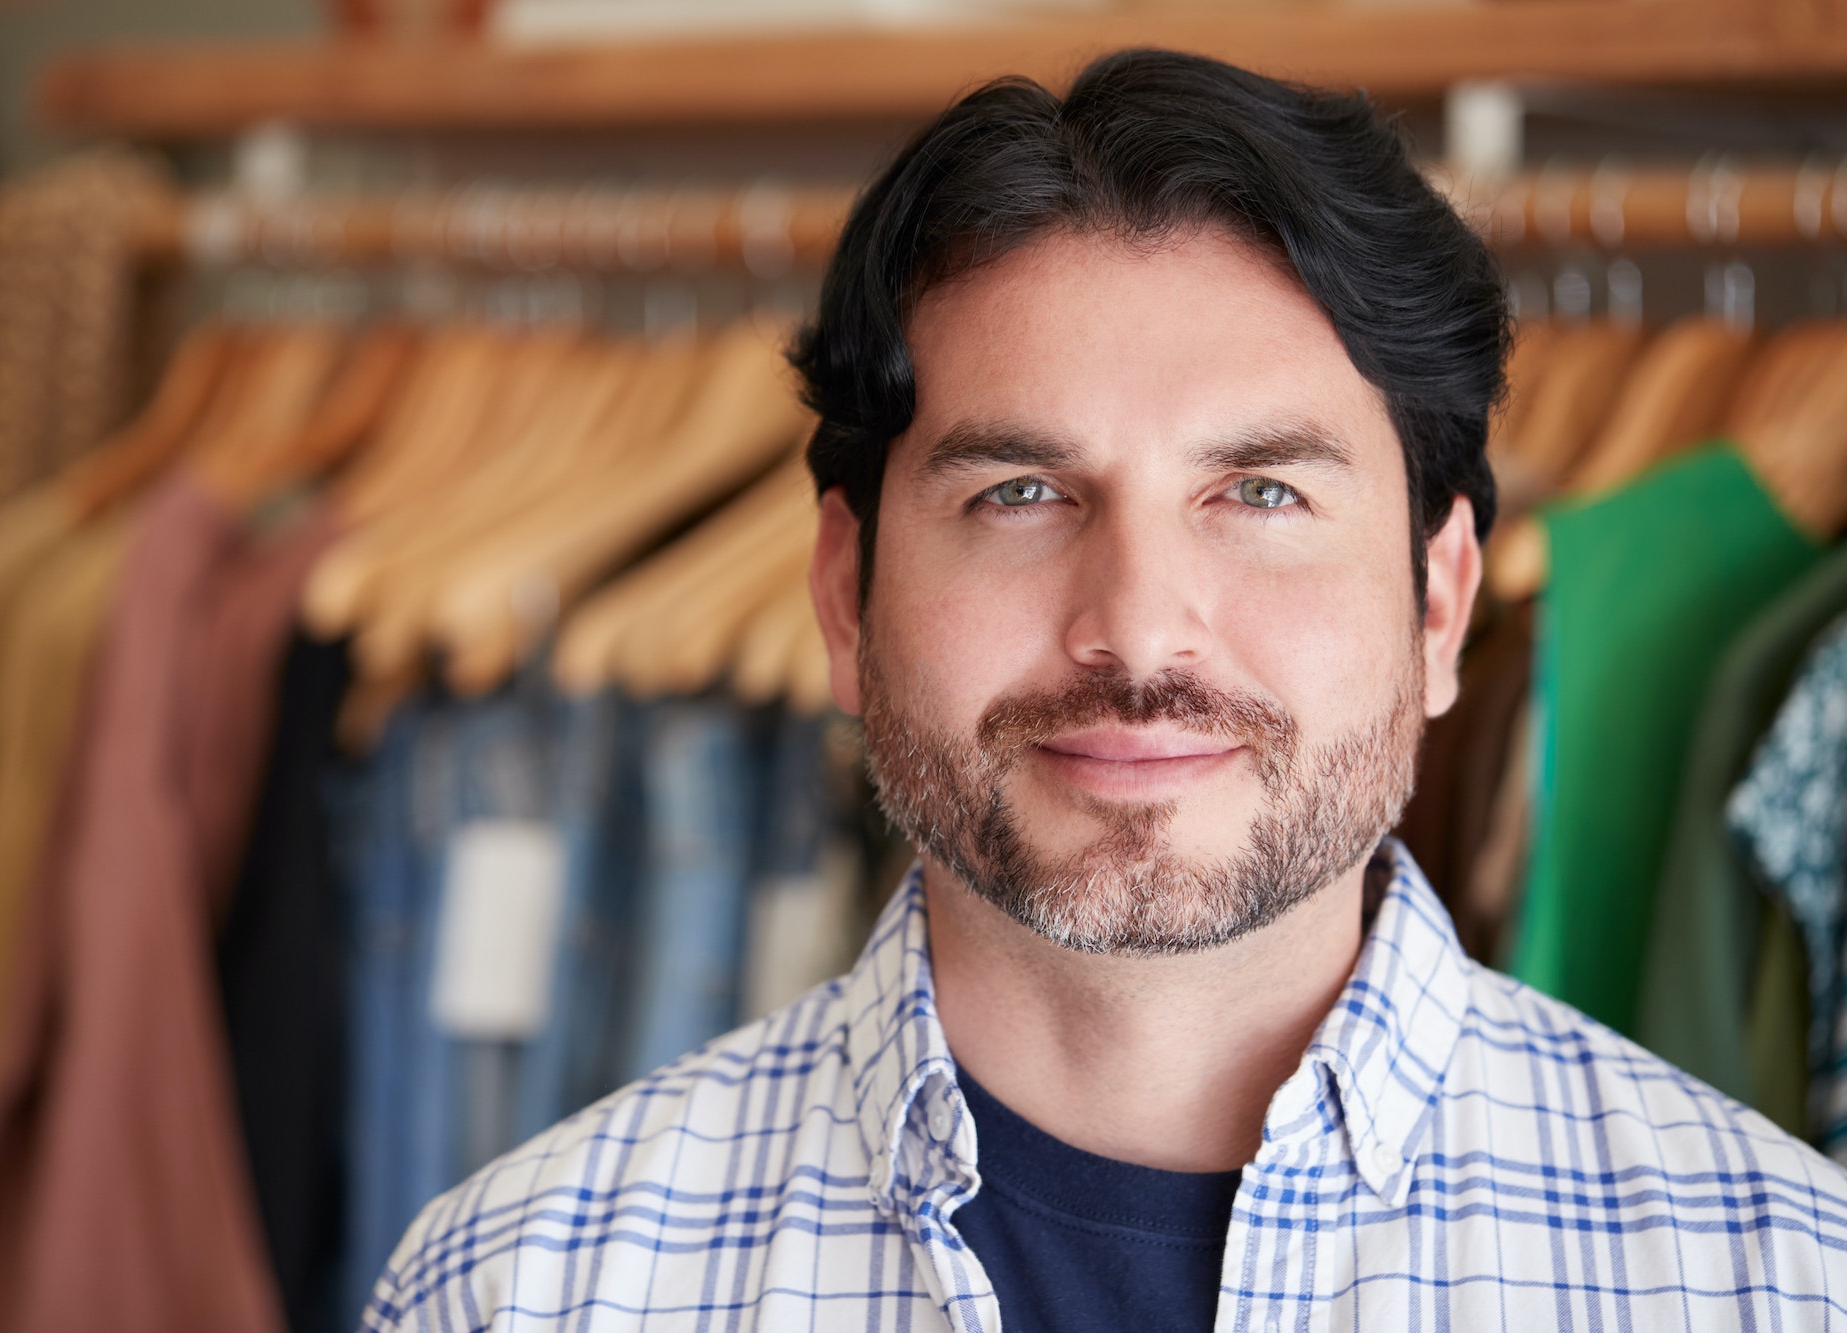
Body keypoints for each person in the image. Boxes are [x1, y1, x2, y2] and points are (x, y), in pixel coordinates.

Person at [363, 49, 1847, 1332]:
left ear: (1440, 601)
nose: (1138, 627)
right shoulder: (518, 1292)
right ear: (843, 592)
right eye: (1019, 491)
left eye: (1260, 491)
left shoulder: (1780, 1284)